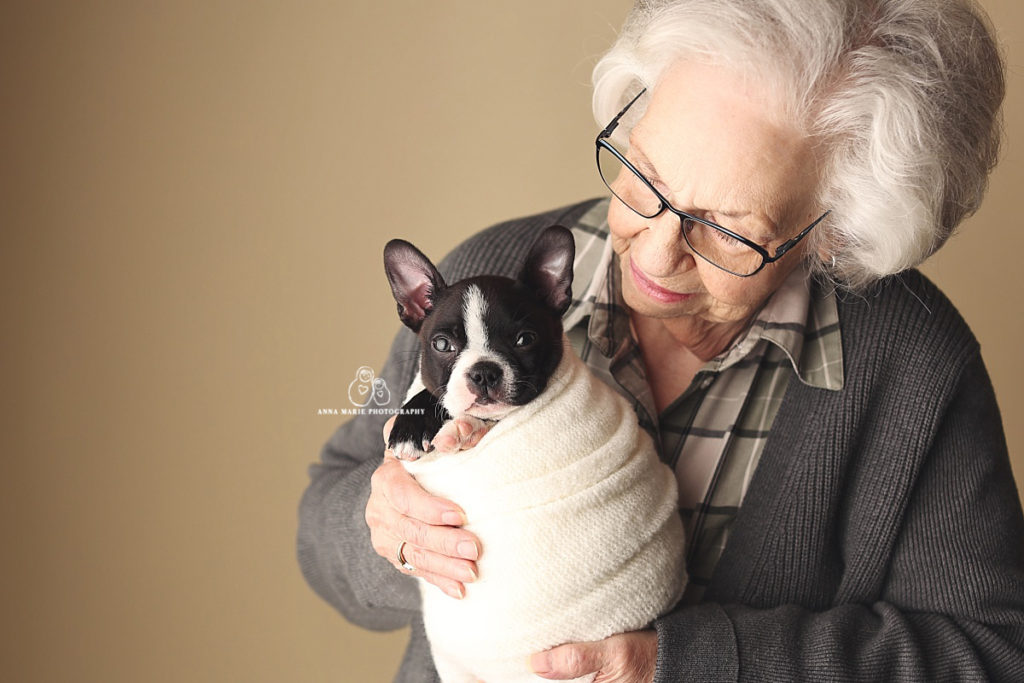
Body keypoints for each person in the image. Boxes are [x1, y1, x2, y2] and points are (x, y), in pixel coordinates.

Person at [298, 0, 1024, 680]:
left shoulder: (914, 368)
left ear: (832, 232)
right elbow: (322, 527)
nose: (654, 255)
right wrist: (389, 531)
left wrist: (694, 664)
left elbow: (989, 651)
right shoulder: (480, 289)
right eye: (644, 179)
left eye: (731, 230)